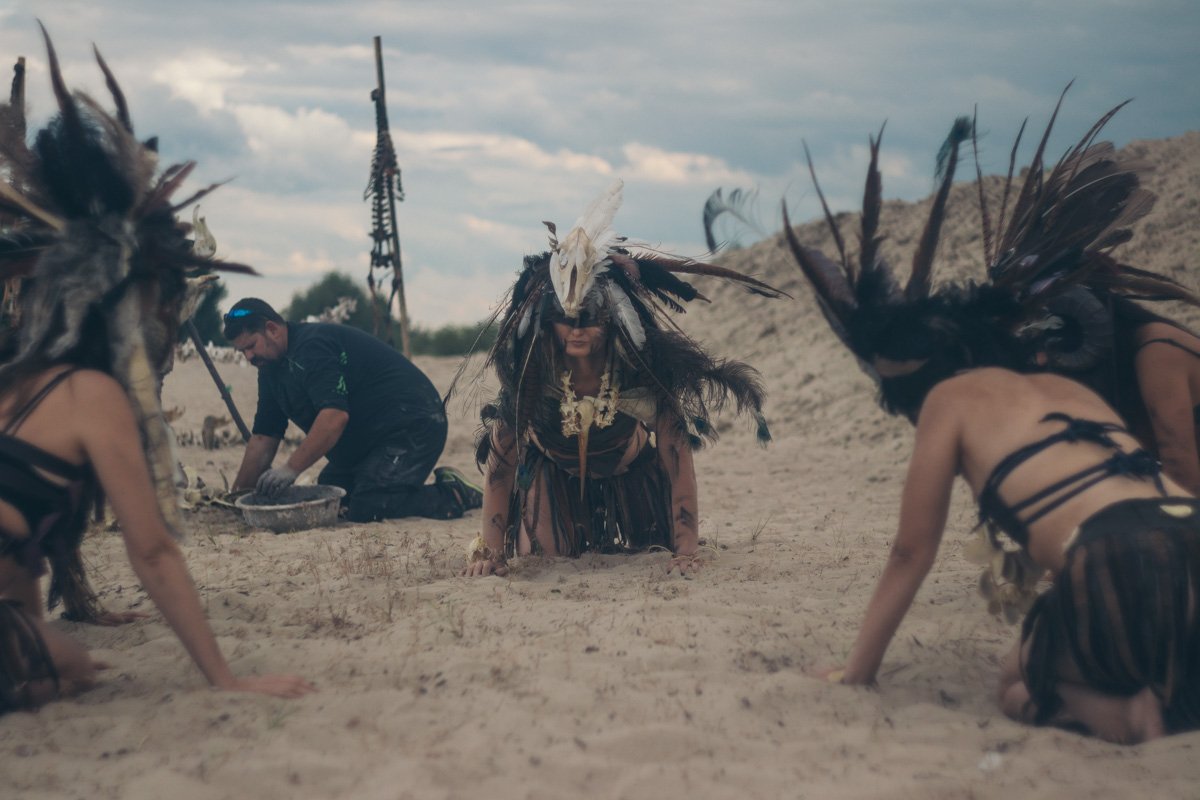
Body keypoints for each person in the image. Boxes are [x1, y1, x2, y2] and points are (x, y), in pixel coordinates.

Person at [785, 106, 1199, 743]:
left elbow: (909, 553)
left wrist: (856, 672)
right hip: (1188, 528)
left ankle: (1137, 718)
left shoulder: (951, 402)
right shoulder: (1064, 387)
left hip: (1108, 550)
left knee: (1015, 687)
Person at [0, 33, 312, 711]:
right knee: (68, 668)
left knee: (62, 663)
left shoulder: (18, 376)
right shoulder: (90, 394)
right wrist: (225, 679)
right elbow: (153, 553)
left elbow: (18, 560)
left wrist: (31, 638)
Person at [460, 179, 784, 577]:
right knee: (543, 558)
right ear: (548, 324)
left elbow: (677, 458)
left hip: (632, 474)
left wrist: (685, 550)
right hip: (552, 473)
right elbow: (501, 460)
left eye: (589, 321)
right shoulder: (535, 375)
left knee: (652, 545)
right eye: (565, 321)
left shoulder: (637, 372)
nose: (575, 331)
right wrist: (489, 554)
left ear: (613, 322)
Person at [224, 298, 482, 522]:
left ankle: (454, 493)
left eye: (251, 346)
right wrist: (237, 498)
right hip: (365, 442)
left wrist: (290, 469)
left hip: (413, 425)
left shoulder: (311, 348)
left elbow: (334, 417)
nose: (248, 357)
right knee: (334, 498)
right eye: (242, 351)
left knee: (367, 506)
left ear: (272, 329)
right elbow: (263, 438)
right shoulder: (269, 369)